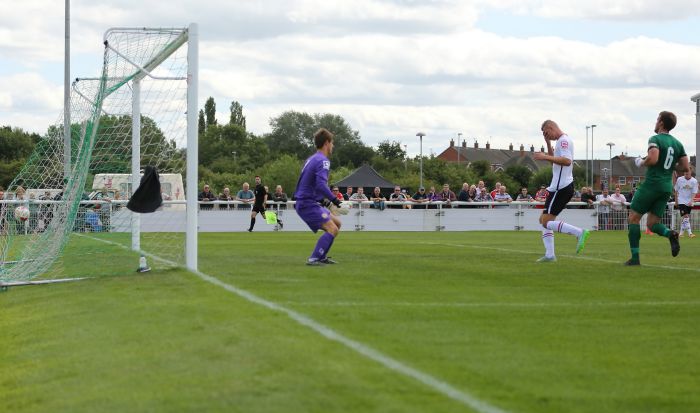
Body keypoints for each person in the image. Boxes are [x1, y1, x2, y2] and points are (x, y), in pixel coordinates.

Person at [625, 111, 689, 265]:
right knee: (652, 224)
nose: (655, 122)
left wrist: (641, 162)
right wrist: (669, 165)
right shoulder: (678, 144)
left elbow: (653, 159)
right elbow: (685, 167)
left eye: (657, 119)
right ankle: (671, 234)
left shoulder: (655, 139)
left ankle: (635, 259)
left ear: (661, 123)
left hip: (652, 184)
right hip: (667, 186)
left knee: (633, 218)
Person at [533, 119, 590, 262]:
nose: (547, 136)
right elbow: (555, 159)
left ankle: (579, 233)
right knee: (543, 220)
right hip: (559, 187)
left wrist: (544, 156)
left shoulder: (563, 141)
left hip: (561, 187)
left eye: (547, 133)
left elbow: (567, 161)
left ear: (551, 127)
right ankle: (550, 255)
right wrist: (547, 144)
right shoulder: (560, 141)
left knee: (546, 222)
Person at [293, 128, 343, 265]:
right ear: (327, 143)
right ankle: (314, 258)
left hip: (307, 202)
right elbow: (321, 185)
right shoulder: (323, 161)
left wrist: (325, 203)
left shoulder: (312, 159)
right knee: (332, 229)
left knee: (337, 224)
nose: (333, 146)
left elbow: (311, 184)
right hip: (307, 203)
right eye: (332, 143)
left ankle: (322, 256)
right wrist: (335, 201)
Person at [674, 170, 698, 238]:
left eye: (687, 173)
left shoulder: (694, 181)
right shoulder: (679, 179)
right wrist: (676, 201)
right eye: (685, 173)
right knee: (686, 216)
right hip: (681, 200)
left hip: (689, 201)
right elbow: (676, 190)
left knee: (685, 218)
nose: (686, 174)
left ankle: (681, 234)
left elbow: (694, 192)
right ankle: (690, 233)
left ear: (691, 173)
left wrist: (691, 200)